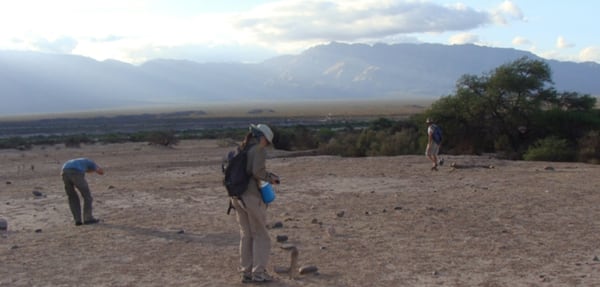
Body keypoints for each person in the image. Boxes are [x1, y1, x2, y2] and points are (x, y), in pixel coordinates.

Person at [230, 124, 280, 283]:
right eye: (267, 141)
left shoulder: (241, 149)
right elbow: (257, 172)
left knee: (246, 235)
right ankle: (259, 273)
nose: (266, 144)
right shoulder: (258, 149)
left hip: (236, 197)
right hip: (251, 196)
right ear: (262, 137)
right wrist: (271, 178)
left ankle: (246, 272)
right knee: (261, 235)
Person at [61, 158, 104, 226]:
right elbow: (101, 172)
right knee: (87, 196)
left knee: (72, 197)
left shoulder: (80, 161)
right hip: (75, 172)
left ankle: (77, 220)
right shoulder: (91, 162)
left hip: (64, 171)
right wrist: (96, 170)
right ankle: (88, 218)